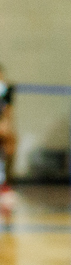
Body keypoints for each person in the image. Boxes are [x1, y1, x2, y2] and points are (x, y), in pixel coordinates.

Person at [0, 65, 16, 211]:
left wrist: (6, 126)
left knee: (11, 141)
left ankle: (5, 184)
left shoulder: (6, 90)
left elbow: (8, 115)